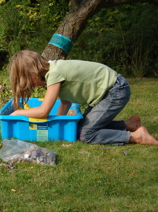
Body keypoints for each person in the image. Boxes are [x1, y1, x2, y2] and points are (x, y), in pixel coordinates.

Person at [8, 50, 158, 146]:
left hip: (115, 91)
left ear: (32, 73)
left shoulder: (54, 74)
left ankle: (135, 136)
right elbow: (65, 102)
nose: (32, 85)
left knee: (86, 135)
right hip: (107, 92)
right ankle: (129, 123)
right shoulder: (53, 70)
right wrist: (58, 126)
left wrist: (17, 113)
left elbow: (43, 111)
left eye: (29, 81)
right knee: (78, 128)